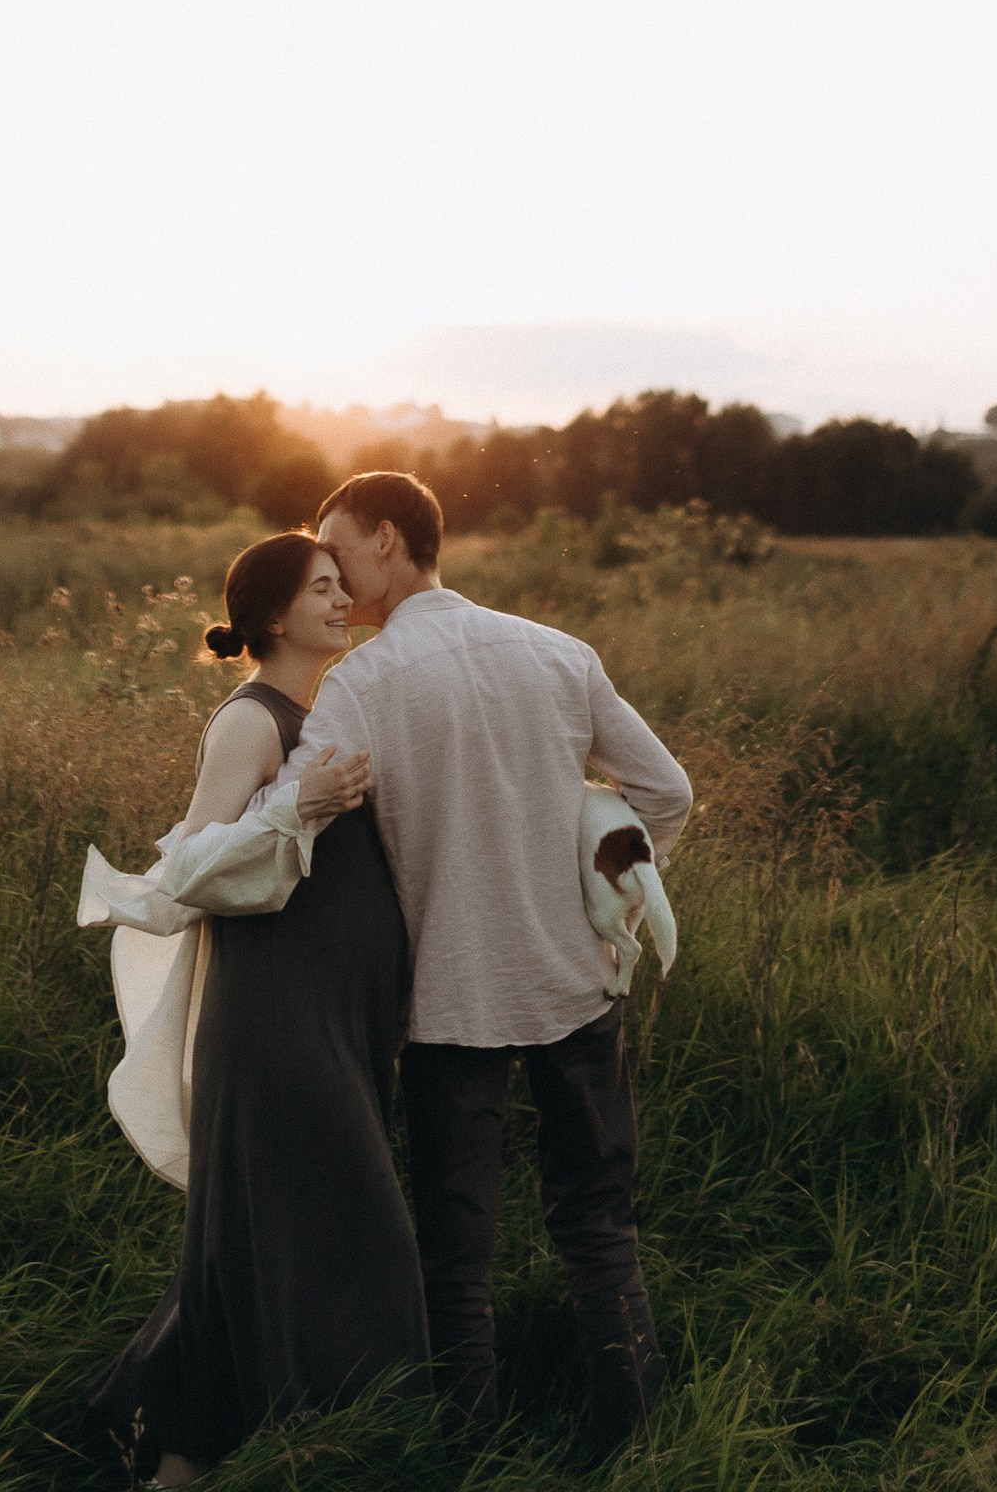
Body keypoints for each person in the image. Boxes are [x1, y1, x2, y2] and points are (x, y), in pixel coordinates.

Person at [277, 471, 692, 1448]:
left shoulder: (361, 688)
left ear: (387, 538)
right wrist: (612, 895)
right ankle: (633, 1443)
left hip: (448, 1001)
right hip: (578, 981)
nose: (330, 571)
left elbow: (285, 825)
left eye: (336, 548)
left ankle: (469, 1457)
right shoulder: (556, 652)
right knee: (598, 1229)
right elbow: (663, 792)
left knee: (455, 1259)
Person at [87, 531, 430, 1486]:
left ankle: (186, 1455)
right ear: (274, 616)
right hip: (277, 1021)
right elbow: (189, 867)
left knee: (267, 1232)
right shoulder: (252, 721)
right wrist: (302, 807)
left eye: (340, 583)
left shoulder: (317, 709)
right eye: (322, 588)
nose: (341, 599)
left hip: (329, 1014)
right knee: (357, 1229)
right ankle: (342, 1439)